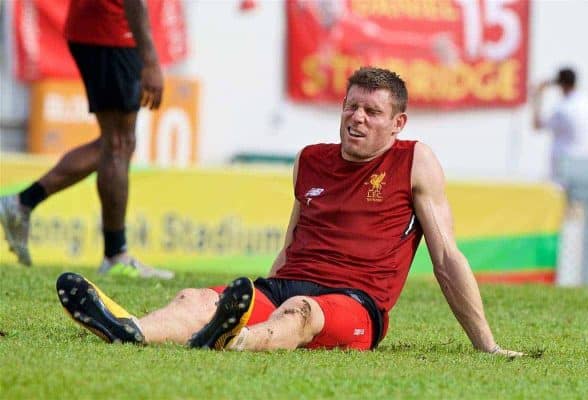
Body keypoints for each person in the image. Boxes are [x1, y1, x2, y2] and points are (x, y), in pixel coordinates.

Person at [55, 67, 522, 356]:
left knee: (300, 313)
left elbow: (446, 260)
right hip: (284, 284)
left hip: (354, 303)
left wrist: (487, 344)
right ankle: (130, 330)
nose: (356, 118)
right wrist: (262, 288)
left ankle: (230, 339)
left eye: (371, 112)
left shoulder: (415, 161)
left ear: (398, 124)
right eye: (351, 107)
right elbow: (291, 243)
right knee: (196, 299)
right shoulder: (309, 158)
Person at [0, 0, 173, 279]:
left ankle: (22, 202)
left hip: (96, 27)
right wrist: (151, 60)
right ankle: (115, 254)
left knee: (116, 142)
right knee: (118, 143)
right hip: (111, 30)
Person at [532, 67, 588, 184]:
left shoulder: (562, 108)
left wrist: (538, 96)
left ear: (561, 85)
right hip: (585, 163)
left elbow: (537, 125)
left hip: (563, 164)